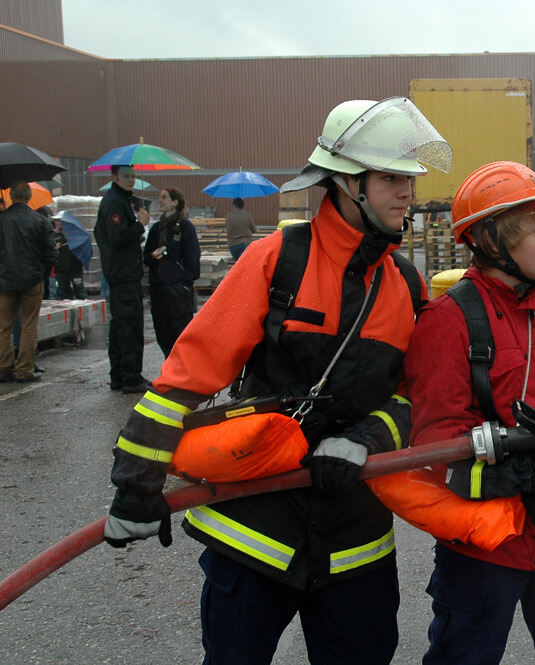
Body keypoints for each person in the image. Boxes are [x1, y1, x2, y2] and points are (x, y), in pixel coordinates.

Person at [101, 97, 451, 665]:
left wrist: (368, 438)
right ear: (345, 182)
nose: (407, 192)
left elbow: (415, 394)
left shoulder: (407, 285)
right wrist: (137, 482)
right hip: (253, 533)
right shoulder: (276, 261)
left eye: (408, 177)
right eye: (391, 177)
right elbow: (187, 375)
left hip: (354, 544)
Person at [404, 161, 535, 665]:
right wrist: (504, 470)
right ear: (494, 242)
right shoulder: (451, 320)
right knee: (465, 657)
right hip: (485, 547)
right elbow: (435, 436)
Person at [94, 164, 150, 393]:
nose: (131, 180)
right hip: (123, 274)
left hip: (120, 273)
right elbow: (117, 237)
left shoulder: (118, 200)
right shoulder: (115, 203)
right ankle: (130, 377)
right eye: (126, 176)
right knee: (129, 326)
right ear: (114, 177)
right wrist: (140, 226)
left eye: (134, 176)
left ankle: (119, 374)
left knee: (120, 326)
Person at [0, 181, 56, 383]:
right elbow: (50, 251)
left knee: (4, 327)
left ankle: (4, 367)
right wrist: (42, 269)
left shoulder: (2, 219)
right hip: (32, 279)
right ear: (29, 197)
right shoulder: (39, 220)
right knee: (29, 325)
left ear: (12, 197)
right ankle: (24, 369)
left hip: (5, 280)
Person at [143, 187, 200, 356]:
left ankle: (184, 372)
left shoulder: (184, 228)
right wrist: (153, 256)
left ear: (175, 202)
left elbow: (192, 258)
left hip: (176, 288)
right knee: (163, 331)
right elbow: (146, 257)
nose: (159, 200)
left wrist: (184, 283)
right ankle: (170, 369)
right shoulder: (156, 229)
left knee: (180, 332)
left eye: (164, 197)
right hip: (158, 286)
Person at [52, 213, 88, 300]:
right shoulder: (55, 236)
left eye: (58, 221)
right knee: (65, 293)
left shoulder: (75, 235)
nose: (56, 223)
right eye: (56, 221)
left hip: (75, 267)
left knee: (79, 289)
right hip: (61, 268)